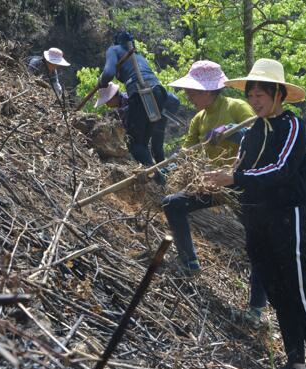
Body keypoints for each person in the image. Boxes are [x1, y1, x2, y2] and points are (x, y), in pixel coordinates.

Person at [204, 58, 306, 369]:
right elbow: (241, 171)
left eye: (261, 93)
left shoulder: (292, 126)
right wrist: (223, 178)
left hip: (288, 217)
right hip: (256, 219)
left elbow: (281, 171)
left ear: (279, 95)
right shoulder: (251, 132)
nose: (255, 100)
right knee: (275, 290)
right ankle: (295, 361)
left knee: (300, 289)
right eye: (251, 94)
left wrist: (234, 177)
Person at [162, 61, 267, 323]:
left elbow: (261, 136)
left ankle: (256, 309)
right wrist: (167, 167)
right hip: (214, 182)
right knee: (173, 204)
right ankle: (189, 264)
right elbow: (187, 152)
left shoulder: (236, 107)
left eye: (194, 92)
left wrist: (234, 134)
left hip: (243, 183)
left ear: (210, 91)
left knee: (258, 244)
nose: (189, 96)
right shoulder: (199, 118)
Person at [98, 31, 179, 167]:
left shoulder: (114, 50)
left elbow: (108, 73)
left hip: (139, 93)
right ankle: (161, 170)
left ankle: (157, 178)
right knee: (146, 140)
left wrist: (101, 82)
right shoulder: (138, 55)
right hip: (158, 91)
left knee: (135, 143)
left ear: (116, 42)